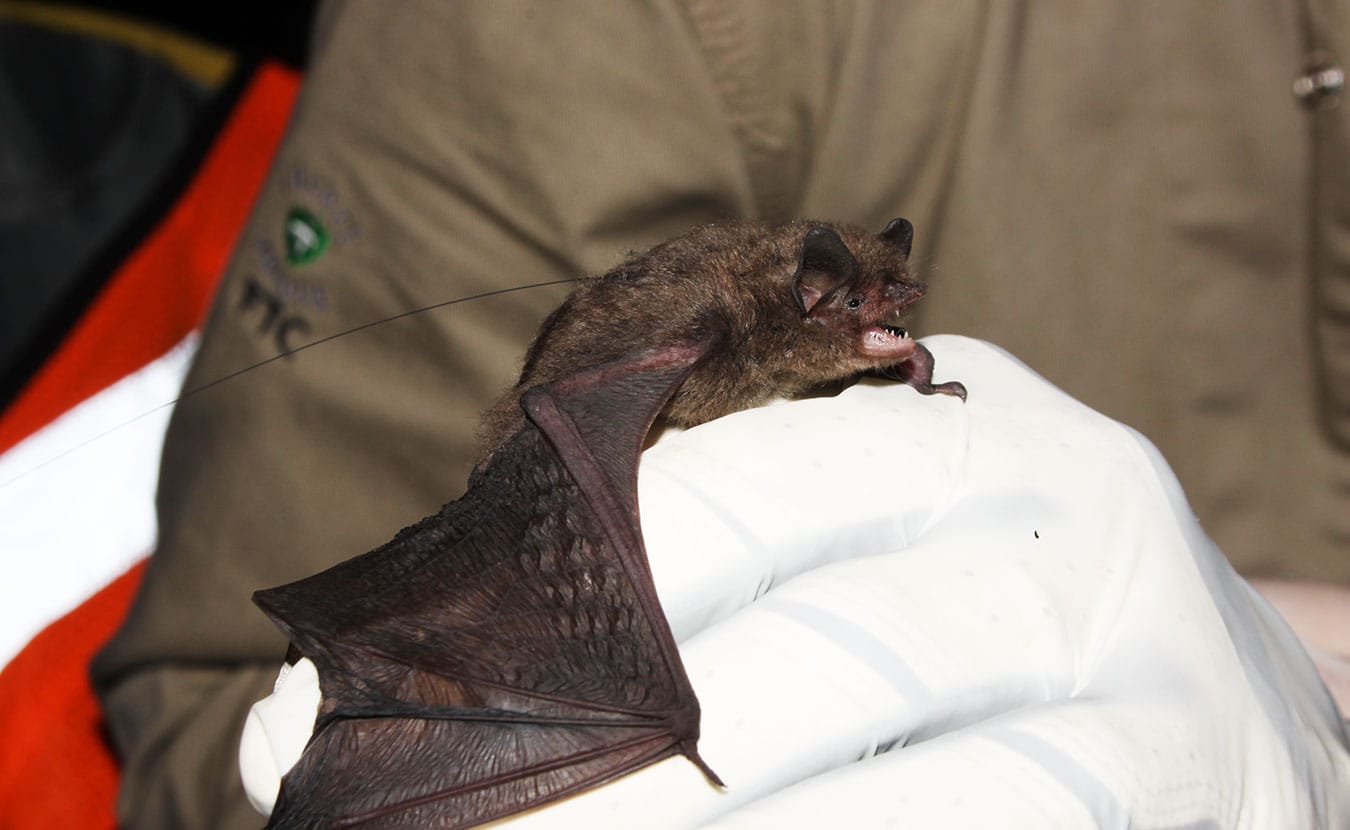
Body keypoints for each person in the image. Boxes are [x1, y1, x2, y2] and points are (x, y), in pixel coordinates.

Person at [90, 2, 1349, 827]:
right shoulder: (608, 44)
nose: (895, 334)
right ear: (815, 306)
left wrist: (1315, 670)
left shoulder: (842, 321)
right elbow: (211, 731)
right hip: (569, 518)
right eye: (870, 322)